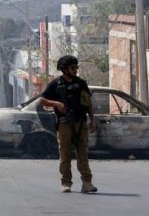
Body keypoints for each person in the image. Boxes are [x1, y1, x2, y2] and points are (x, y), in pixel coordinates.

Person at [39, 55, 98, 194]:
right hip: (64, 124)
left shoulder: (81, 83)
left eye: (76, 67)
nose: (75, 70)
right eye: (72, 68)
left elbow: (88, 103)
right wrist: (57, 104)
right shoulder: (56, 84)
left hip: (80, 123)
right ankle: (66, 182)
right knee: (65, 155)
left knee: (83, 154)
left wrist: (92, 120)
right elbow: (42, 100)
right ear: (64, 69)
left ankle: (87, 183)